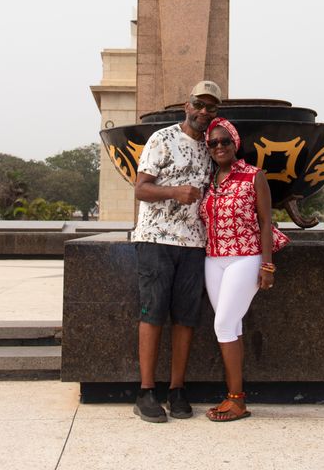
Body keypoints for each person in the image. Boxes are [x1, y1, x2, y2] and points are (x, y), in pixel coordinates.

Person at [131, 80, 222, 423]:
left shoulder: (212, 147)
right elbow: (141, 189)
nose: (203, 111)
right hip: (156, 239)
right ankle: (145, 392)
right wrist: (174, 193)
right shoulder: (163, 139)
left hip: (194, 243)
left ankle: (177, 389)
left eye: (210, 107)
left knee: (186, 318)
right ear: (187, 105)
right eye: (198, 104)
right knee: (152, 313)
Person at [199, 117, 290, 422]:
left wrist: (267, 264)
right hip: (214, 259)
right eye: (213, 143)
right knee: (232, 326)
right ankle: (234, 396)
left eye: (225, 141)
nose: (220, 146)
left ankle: (236, 399)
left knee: (223, 325)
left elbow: (266, 222)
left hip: (246, 257)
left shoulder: (254, 176)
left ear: (235, 143)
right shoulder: (209, 182)